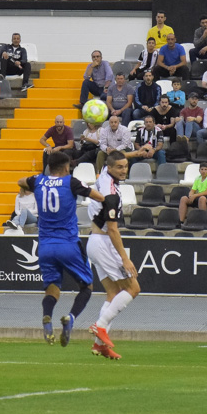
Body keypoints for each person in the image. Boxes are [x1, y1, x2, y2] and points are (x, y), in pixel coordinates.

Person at [17, 151, 105, 346]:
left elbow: (21, 181)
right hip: (68, 244)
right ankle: (71, 318)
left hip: (46, 246)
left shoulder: (38, 181)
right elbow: (98, 196)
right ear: (66, 168)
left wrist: (36, 183)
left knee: (52, 289)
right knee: (87, 286)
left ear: (49, 167)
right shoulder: (71, 182)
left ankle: (47, 317)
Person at [86, 151, 137, 360]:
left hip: (94, 242)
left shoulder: (104, 177)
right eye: (119, 167)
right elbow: (113, 229)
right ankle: (100, 326)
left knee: (113, 294)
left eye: (125, 166)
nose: (124, 170)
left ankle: (100, 346)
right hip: (104, 243)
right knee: (133, 287)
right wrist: (125, 258)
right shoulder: (111, 194)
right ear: (110, 167)